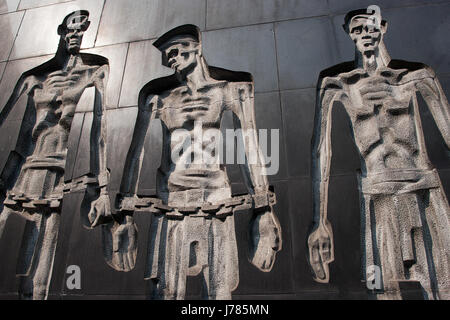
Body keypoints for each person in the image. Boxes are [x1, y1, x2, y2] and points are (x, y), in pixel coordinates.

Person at [104, 24, 282, 299]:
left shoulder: (232, 89)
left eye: (175, 51)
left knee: (220, 293)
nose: (169, 58)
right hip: (172, 200)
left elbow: (250, 145)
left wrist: (263, 209)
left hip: (217, 200)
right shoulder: (158, 97)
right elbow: (135, 152)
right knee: (165, 292)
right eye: (166, 54)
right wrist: (125, 213)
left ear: (196, 48)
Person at [308, 8, 450, 299]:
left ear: (382, 28)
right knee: (381, 288)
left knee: (443, 283)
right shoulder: (338, 83)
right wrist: (319, 220)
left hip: (422, 188)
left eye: (370, 27)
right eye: (357, 30)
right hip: (376, 194)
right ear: (349, 34)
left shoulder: (415, 75)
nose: (365, 35)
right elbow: (322, 151)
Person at [0, 10, 110, 300]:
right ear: (62, 33)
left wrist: (102, 186)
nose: (76, 37)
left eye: (81, 32)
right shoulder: (33, 77)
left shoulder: (94, 70)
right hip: (20, 168)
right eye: (71, 31)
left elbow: (99, 127)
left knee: (38, 275)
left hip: (54, 171)